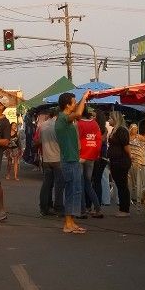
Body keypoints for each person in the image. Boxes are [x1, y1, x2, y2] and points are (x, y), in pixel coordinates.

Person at [55, 91, 89, 234]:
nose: (75, 105)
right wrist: (85, 98)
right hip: (69, 161)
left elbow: (77, 113)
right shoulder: (63, 118)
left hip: (71, 159)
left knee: (75, 191)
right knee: (72, 191)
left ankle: (70, 222)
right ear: (68, 105)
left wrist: (82, 99)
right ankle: (68, 223)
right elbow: (79, 114)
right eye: (73, 103)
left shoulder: (63, 118)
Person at [77, 107, 105, 218]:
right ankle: (98, 209)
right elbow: (99, 141)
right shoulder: (95, 124)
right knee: (88, 184)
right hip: (91, 157)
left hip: (80, 157)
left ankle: (82, 211)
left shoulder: (78, 124)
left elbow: (76, 140)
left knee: (81, 184)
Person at [35, 107, 63, 217]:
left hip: (46, 158)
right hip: (58, 158)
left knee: (47, 184)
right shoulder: (59, 126)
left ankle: (44, 207)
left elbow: (39, 141)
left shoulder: (43, 125)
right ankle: (59, 207)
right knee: (59, 185)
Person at [107, 119, 132, 216]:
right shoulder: (115, 130)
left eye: (110, 118)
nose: (109, 120)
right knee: (120, 184)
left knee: (122, 185)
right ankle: (123, 208)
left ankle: (125, 209)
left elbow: (126, 145)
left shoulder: (121, 130)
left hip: (121, 161)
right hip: (115, 161)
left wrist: (130, 156)